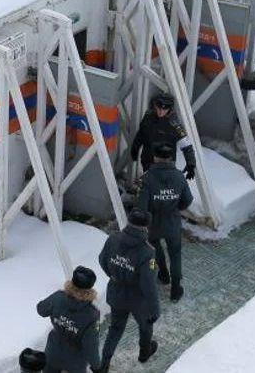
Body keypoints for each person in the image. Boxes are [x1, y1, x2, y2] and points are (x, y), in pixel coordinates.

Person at [98, 209, 160, 371]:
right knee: (145, 325)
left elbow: (102, 260)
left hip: (116, 292)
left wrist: (114, 276)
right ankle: (144, 353)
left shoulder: (113, 239)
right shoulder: (148, 252)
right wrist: (155, 309)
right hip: (138, 299)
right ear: (146, 227)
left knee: (115, 328)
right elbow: (149, 285)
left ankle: (104, 364)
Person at [136, 144, 193, 302]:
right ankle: (175, 290)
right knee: (175, 255)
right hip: (173, 222)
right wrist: (174, 207)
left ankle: (162, 274)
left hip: (153, 224)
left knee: (154, 251)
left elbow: (141, 207)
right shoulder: (179, 176)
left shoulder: (147, 178)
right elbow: (187, 201)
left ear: (155, 157)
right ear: (170, 158)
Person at [35, 266, 101, 373]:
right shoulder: (92, 314)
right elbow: (90, 346)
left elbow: (41, 309)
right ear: (90, 288)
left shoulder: (58, 297)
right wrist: (97, 367)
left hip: (52, 353)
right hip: (75, 363)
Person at [129, 93, 195, 178]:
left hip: (167, 163)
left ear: (169, 109)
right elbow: (141, 134)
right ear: (155, 106)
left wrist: (191, 164)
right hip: (148, 160)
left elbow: (186, 145)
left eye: (165, 109)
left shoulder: (174, 124)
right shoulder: (148, 117)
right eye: (159, 108)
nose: (161, 111)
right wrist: (135, 148)